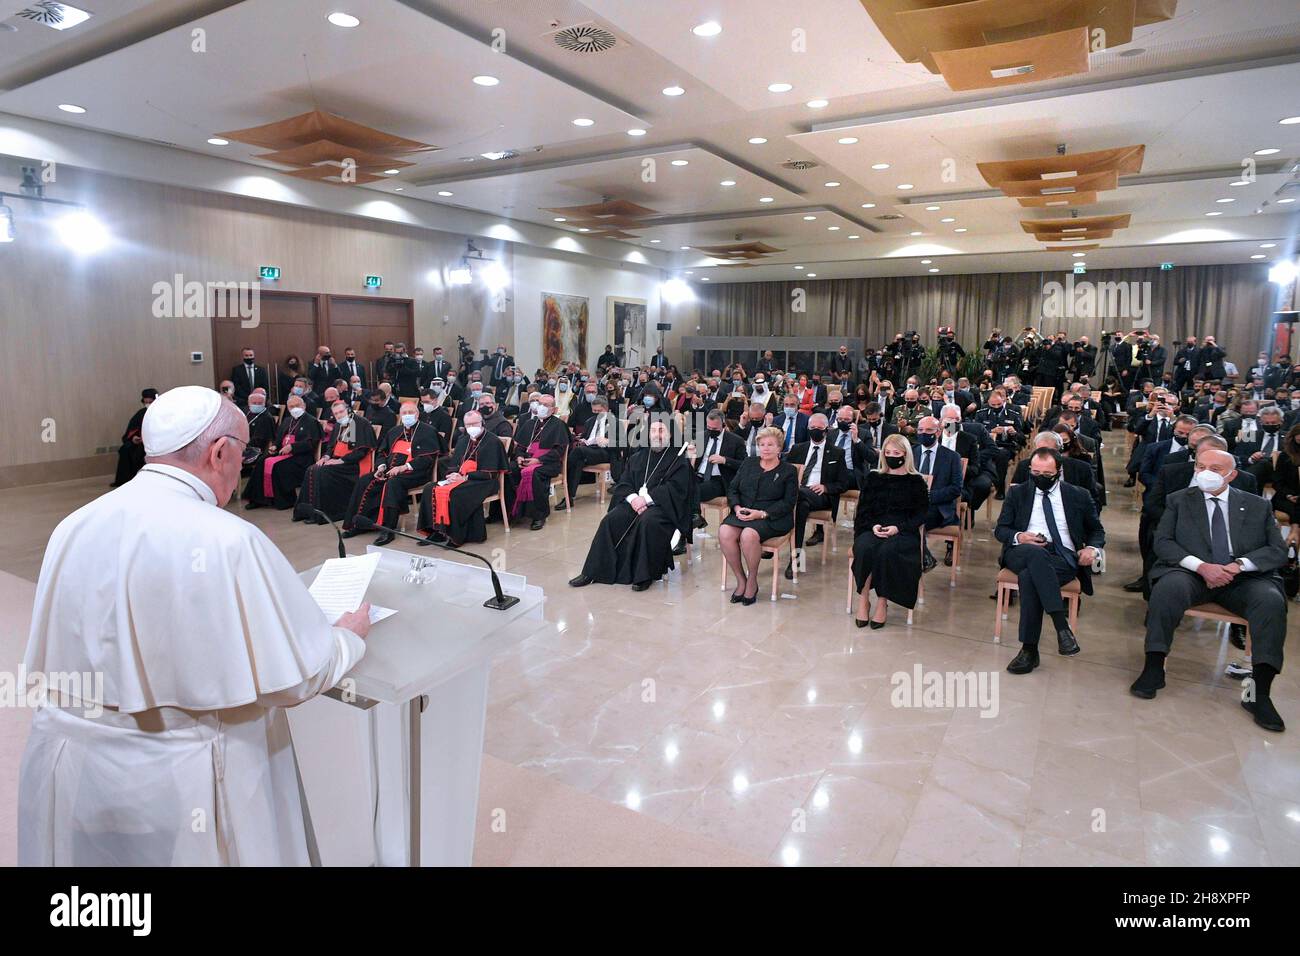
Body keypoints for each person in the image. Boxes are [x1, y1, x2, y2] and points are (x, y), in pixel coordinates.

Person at [19, 386, 370, 865]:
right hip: (184, 776)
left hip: (81, 768)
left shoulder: (74, 524)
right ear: (219, 452)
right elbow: (298, 676)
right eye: (242, 454)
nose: (241, 468)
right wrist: (348, 637)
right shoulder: (228, 540)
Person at [1134, 447, 1288, 732]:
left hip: (1242, 578)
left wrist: (1239, 565)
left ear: (1231, 475)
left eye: (1215, 469)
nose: (1205, 473)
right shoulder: (1179, 501)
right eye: (1201, 466)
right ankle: (1154, 667)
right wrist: (1202, 566)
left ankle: (1259, 693)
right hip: (1192, 572)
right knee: (1168, 589)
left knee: (1270, 602)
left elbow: (1276, 551)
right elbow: (1164, 543)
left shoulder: (1256, 506)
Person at [995, 448, 1105, 674]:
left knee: (1029, 576)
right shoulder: (1018, 493)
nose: (1040, 478)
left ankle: (1029, 650)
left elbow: (1097, 530)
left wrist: (1093, 549)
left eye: (1046, 474)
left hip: (1062, 556)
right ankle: (1060, 626)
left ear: (1058, 472)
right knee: (1035, 555)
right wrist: (1020, 536)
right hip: (1022, 551)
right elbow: (1001, 530)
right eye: (1035, 472)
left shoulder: (1078, 495)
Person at [568, 420, 693, 591]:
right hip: (635, 502)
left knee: (648, 522)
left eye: (662, 431)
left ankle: (644, 575)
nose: (657, 435)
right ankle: (592, 571)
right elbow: (625, 482)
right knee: (610, 520)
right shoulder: (638, 456)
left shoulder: (679, 459)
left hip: (662, 506)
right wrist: (634, 499)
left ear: (670, 435)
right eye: (653, 431)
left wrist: (647, 499)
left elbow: (676, 489)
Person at [851, 434, 928, 629]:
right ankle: (864, 599)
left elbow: (921, 515)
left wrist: (898, 528)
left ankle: (883, 602)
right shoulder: (873, 477)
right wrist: (872, 526)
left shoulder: (916, 481)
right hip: (873, 526)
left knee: (887, 552)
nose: (891, 456)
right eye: (887, 452)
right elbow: (863, 510)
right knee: (865, 547)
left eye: (896, 452)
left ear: (905, 454)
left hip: (903, 530)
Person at [342, 401, 442, 545]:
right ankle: (360, 524)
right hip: (389, 470)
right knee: (364, 480)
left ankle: (388, 530)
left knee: (393, 483)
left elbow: (427, 459)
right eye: (404, 413)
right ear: (400, 415)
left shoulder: (428, 431)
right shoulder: (394, 431)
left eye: (411, 412)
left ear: (418, 414)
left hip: (415, 473)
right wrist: (381, 467)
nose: (407, 416)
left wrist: (403, 467)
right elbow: (382, 452)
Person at [718, 427, 798, 605]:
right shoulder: (748, 463)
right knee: (725, 532)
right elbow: (733, 489)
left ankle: (752, 580)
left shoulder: (789, 470)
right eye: (762, 445)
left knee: (748, 534)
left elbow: (788, 503)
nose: (766, 448)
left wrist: (762, 514)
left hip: (772, 517)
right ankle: (741, 579)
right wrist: (737, 507)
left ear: (779, 448)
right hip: (744, 511)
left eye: (770, 444)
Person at [416, 410, 509, 546]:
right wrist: (454, 474)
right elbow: (453, 464)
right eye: (468, 425)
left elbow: (490, 473)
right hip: (462, 479)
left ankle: (457, 536)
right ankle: (437, 532)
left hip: (485, 482)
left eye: (474, 424)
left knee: (455, 493)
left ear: (482, 422)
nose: (471, 427)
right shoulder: (463, 440)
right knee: (430, 488)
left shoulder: (493, 441)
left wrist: (465, 478)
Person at [784, 412, 850, 578]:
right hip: (802, 496)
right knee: (800, 506)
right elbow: (786, 472)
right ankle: (796, 557)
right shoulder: (798, 448)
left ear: (826, 429)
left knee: (795, 495)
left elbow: (844, 483)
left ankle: (774, 536)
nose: (816, 431)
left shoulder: (837, 452)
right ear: (808, 428)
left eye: (819, 428)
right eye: (812, 428)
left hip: (821, 496)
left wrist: (826, 487)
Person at [292, 400, 377, 524]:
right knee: (312, 468)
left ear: (348, 409)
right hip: (338, 461)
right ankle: (306, 512)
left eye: (341, 412)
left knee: (323, 472)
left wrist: (341, 461)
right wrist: (325, 457)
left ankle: (325, 515)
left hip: (354, 464)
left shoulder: (360, 423)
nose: (339, 415)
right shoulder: (338, 425)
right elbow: (331, 447)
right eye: (336, 414)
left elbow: (362, 451)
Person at [241, 395, 322, 510]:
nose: (294, 408)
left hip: (301, 457)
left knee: (278, 467)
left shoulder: (312, 421)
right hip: (283, 453)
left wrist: (293, 447)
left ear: (303, 406)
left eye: (297, 406)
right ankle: (258, 499)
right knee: (261, 461)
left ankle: (284, 500)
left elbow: (311, 444)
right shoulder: (287, 420)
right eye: (291, 406)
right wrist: (275, 446)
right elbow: (279, 438)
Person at [507, 393, 570, 531]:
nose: (541, 407)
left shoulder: (558, 425)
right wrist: (519, 457)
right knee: (509, 470)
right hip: (527, 460)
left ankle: (539, 515)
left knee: (535, 474)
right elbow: (521, 447)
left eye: (546, 405)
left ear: (554, 409)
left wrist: (538, 460)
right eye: (540, 404)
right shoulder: (530, 423)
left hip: (549, 463)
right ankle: (514, 511)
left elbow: (558, 452)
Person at [111, 388, 157, 487]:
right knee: (125, 449)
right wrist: (133, 438)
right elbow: (132, 430)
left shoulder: (161, 413)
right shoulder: (141, 413)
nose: (148, 404)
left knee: (140, 453)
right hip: (141, 442)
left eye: (150, 401)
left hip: (156, 443)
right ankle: (124, 481)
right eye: (146, 402)